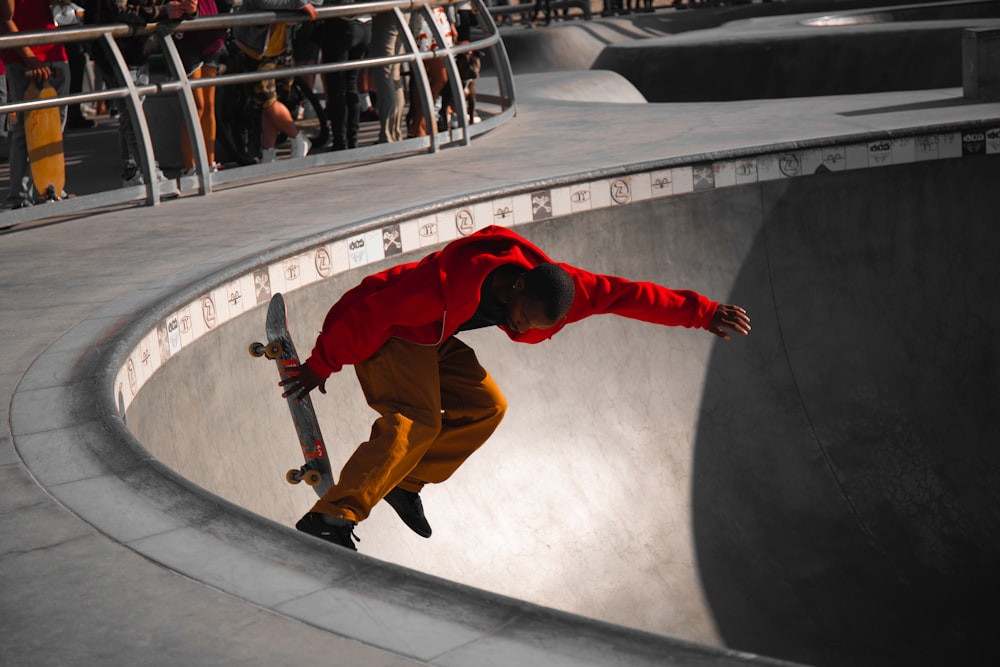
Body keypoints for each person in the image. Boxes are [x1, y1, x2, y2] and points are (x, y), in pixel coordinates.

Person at [281, 225, 752, 551]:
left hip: (432, 337)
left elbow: (632, 295)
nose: (516, 325)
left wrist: (702, 313)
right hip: (389, 328)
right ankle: (332, 517)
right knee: (417, 422)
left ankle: (406, 481)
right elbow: (374, 312)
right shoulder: (445, 283)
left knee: (489, 406)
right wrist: (322, 363)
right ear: (518, 285)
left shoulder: (569, 292)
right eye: (519, 315)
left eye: (529, 327)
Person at [1, 0, 71, 208]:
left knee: (55, 126)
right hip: (21, 55)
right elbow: (5, 17)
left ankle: (50, 186)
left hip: (55, 49)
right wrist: (30, 57)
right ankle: (20, 194)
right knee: (25, 128)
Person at [232, 0, 316, 163]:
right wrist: (299, 4)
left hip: (283, 46)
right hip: (256, 49)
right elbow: (263, 2)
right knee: (267, 101)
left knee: (273, 103)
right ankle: (297, 137)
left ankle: (269, 153)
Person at [173, 0, 226, 174]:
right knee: (196, 106)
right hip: (188, 40)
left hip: (211, 36)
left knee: (209, 106)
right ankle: (190, 166)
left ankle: (210, 163)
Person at [317, 7, 370, 150]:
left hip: (340, 25)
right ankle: (352, 140)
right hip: (364, 24)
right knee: (350, 86)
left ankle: (341, 142)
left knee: (336, 88)